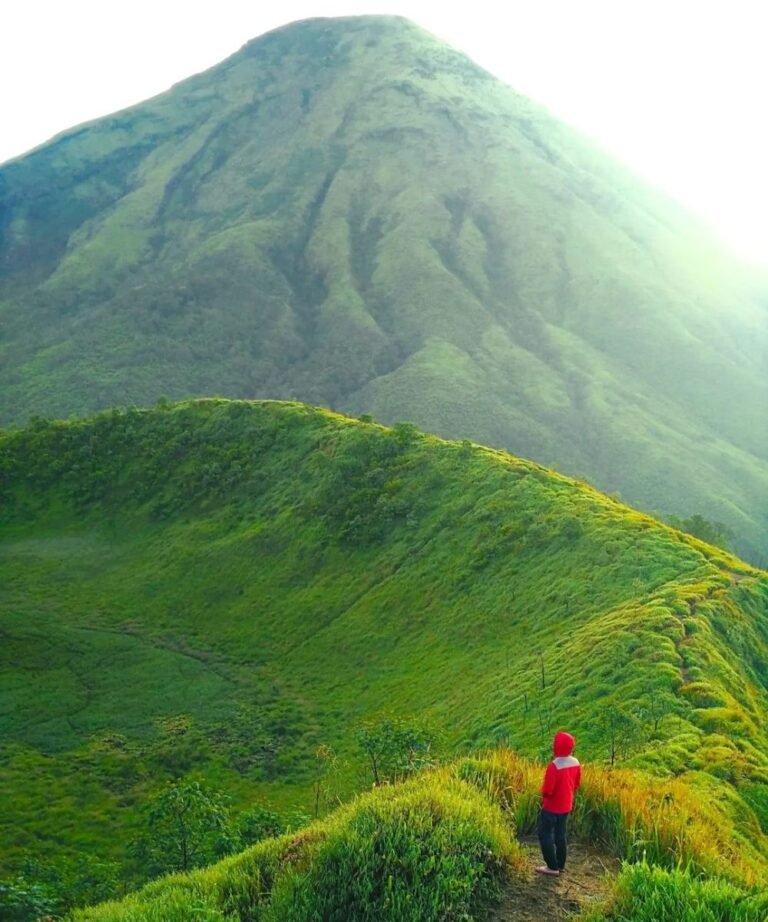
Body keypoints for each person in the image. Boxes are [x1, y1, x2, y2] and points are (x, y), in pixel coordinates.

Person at [535, 730, 581, 876]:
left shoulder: (554, 766)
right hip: (566, 805)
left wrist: (543, 795)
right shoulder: (575, 763)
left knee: (545, 834)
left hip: (551, 807)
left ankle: (551, 867)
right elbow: (577, 784)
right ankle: (560, 865)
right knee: (561, 835)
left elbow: (547, 791)